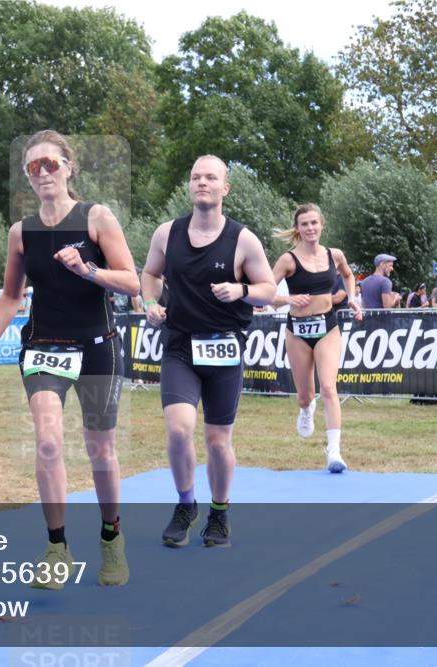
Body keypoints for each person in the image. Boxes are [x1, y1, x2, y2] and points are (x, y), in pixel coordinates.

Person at [0, 130, 139, 588]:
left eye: (51, 164)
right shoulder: (21, 232)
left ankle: (111, 536)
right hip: (44, 345)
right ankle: (57, 546)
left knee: (101, 448)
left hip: (97, 345)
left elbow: (132, 283)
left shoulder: (96, 218)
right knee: (47, 441)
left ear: (69, 168)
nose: (43, 172)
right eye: (33, 167)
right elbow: (9, 295)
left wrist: (88, 269)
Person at [140, 155, 276, 548]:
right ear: (189, 186)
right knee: (179, 430)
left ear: (224, 188)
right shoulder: (168, 233)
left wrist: (242, 291)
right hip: (180, 345)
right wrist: (150, 304)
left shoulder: (243, 239)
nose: (202, 182)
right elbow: (149, 274)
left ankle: (219, 511)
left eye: (211, 177)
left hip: (225, 350)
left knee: (218, 441)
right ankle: (186, 503)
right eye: (196, 176)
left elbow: (268, 289)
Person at [271, 204, 362, 474]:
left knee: (328, 388)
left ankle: (334, 451)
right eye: (304, 224)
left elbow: (348, 275)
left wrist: (352, 298)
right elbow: (265, 293)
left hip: (328, 327)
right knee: (305, 395)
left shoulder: (334, 255)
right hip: (297, 331)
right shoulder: (288, 260)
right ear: (298, 228)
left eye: (314, 223)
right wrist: (287, 298)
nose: (310, 228)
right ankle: (305, 409)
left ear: (322, 224)